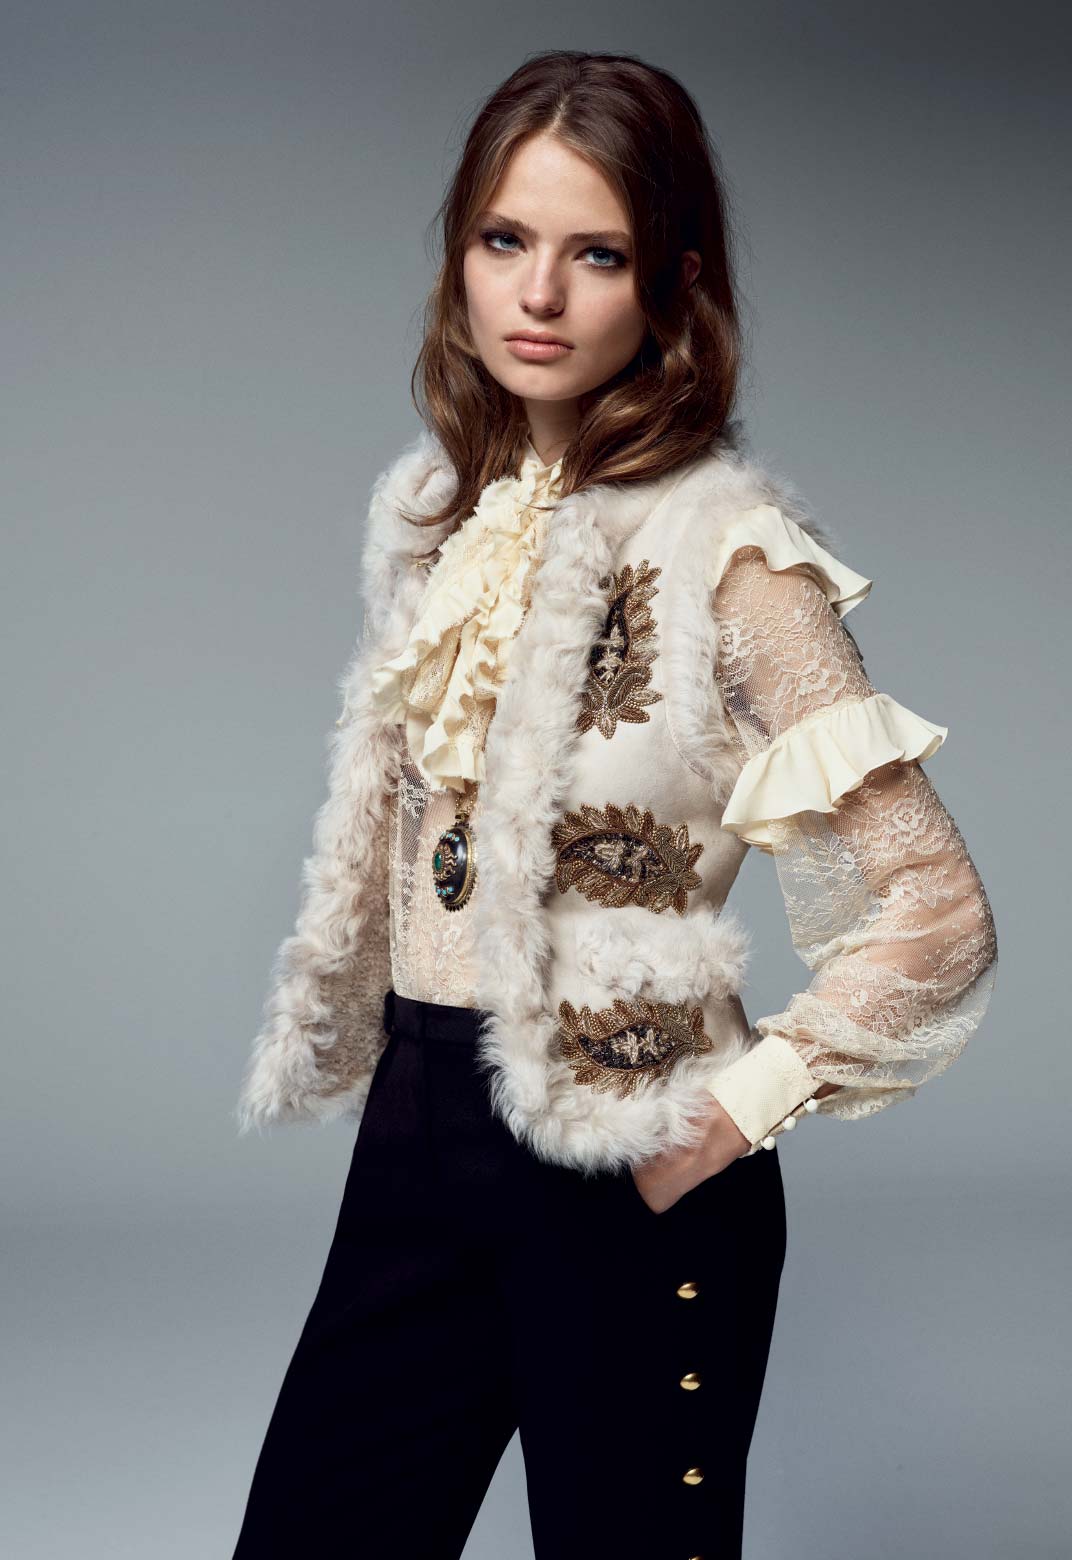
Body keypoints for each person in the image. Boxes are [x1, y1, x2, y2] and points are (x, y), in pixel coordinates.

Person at [230, 50, 998, 1560]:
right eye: (505, 239)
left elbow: (935, 912)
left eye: (597, 254)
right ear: (460, 253)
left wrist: (730, 1118)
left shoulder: (734, 552)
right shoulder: (435, 520)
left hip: (634, 1161)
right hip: (421, 1121)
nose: (539, 294)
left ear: (672, 283)